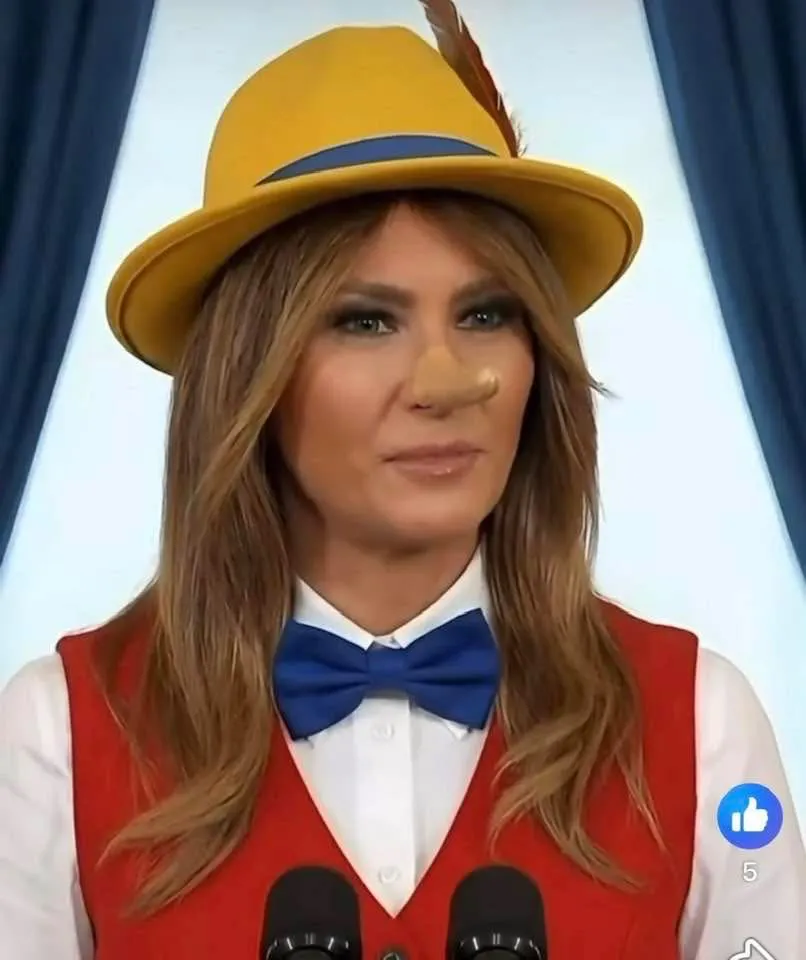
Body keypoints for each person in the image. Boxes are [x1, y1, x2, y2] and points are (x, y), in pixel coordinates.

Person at [1, 15, 804, 960]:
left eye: (486, 314)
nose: (447, 381)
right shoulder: (56, 737)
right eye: (366, 321)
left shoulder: (702, 722)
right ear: (246, 375)